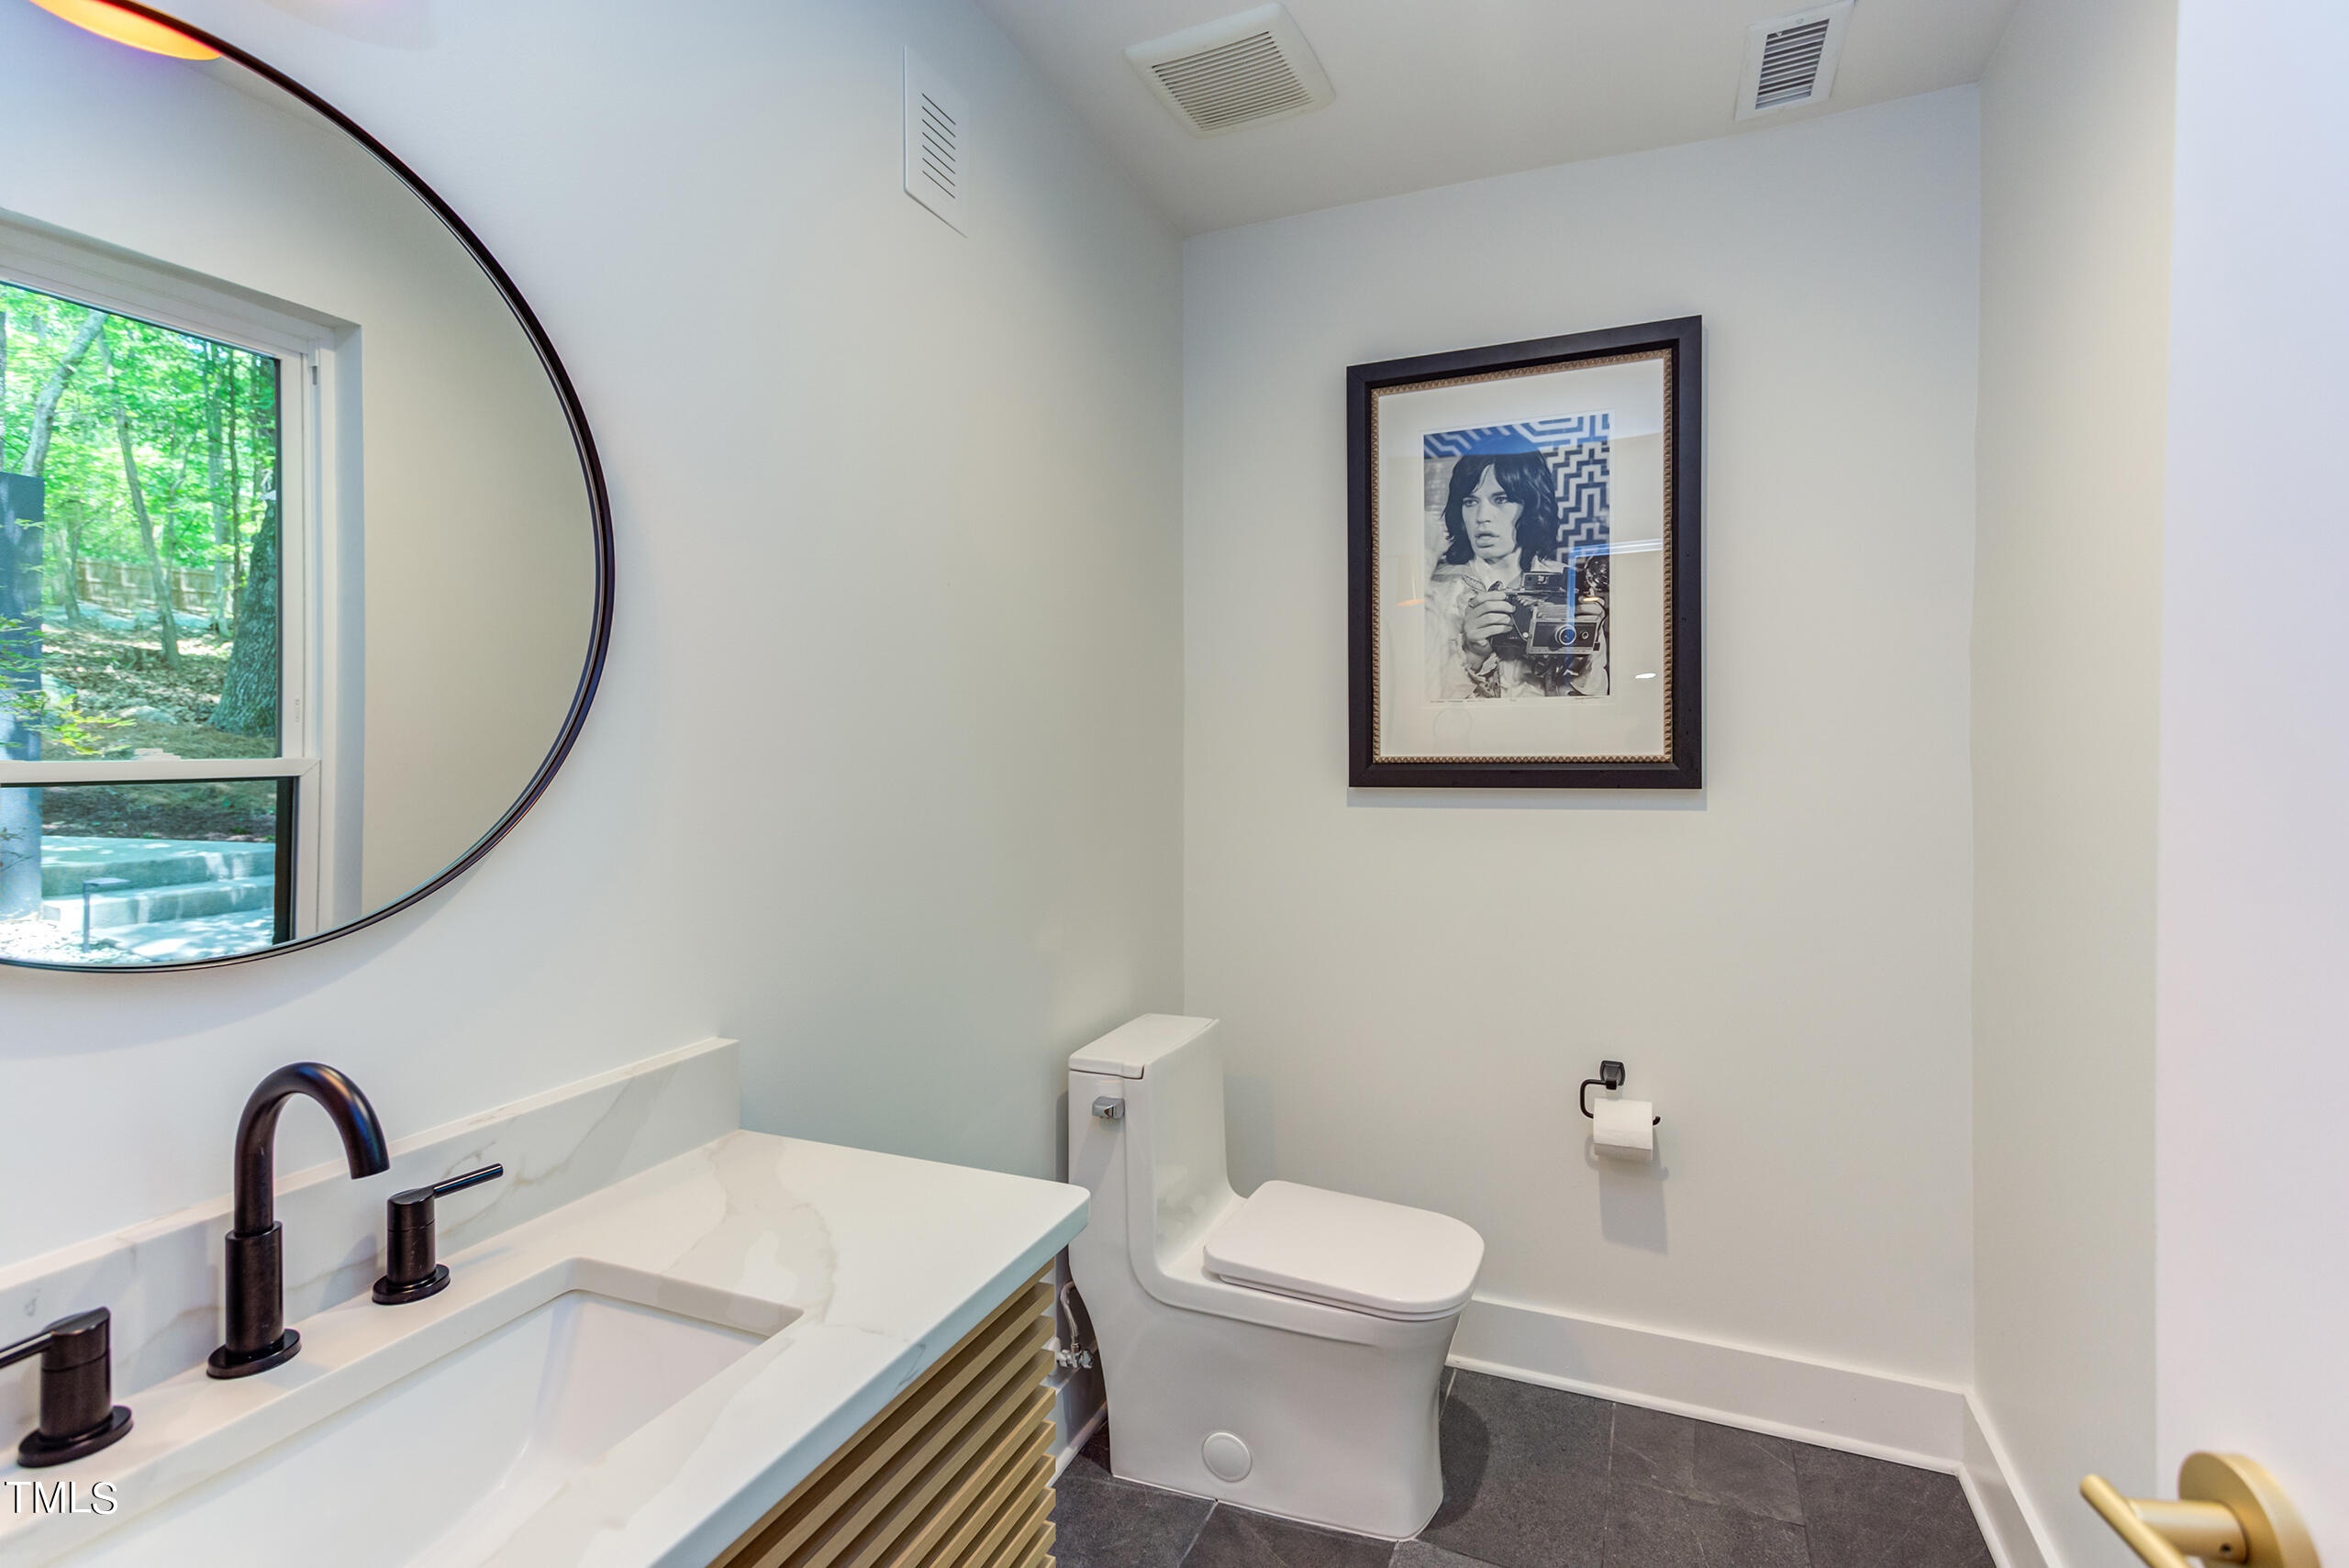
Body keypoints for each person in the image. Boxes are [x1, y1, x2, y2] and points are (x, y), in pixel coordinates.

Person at [1425, 450, 1599, 699]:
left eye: (1502, 499)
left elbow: (1597, 707)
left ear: (1531, 505)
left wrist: (1581, 659)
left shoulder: (1571, 584)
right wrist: (1472, 653)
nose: (1482, 517)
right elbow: (1418, 711)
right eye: (1470, 501)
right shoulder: (1435, 593)